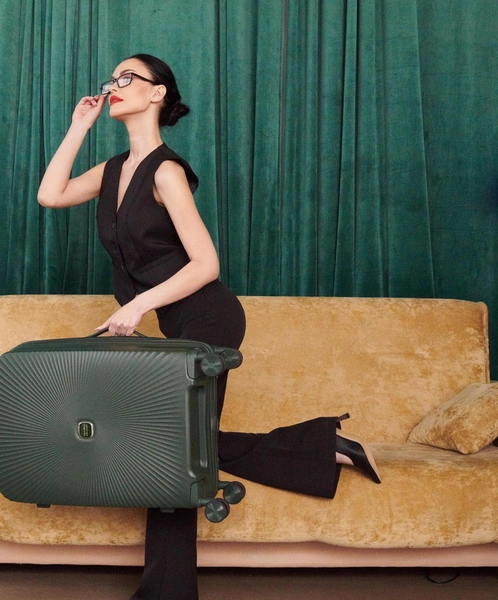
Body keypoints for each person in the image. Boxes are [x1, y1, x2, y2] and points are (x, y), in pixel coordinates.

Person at [38, 53, 381, 600]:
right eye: (112, 79)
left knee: (173, 445)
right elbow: (50, 195)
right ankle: (323, 446)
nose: (114, 86)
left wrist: (138, 305)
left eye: (128, 78)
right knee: (179, 441)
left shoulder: (167, 171)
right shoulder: (111, 171)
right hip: (176, 322)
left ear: (157, 93)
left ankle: (166, 591)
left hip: (208, 316)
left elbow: (206, 264)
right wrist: (79, 126)